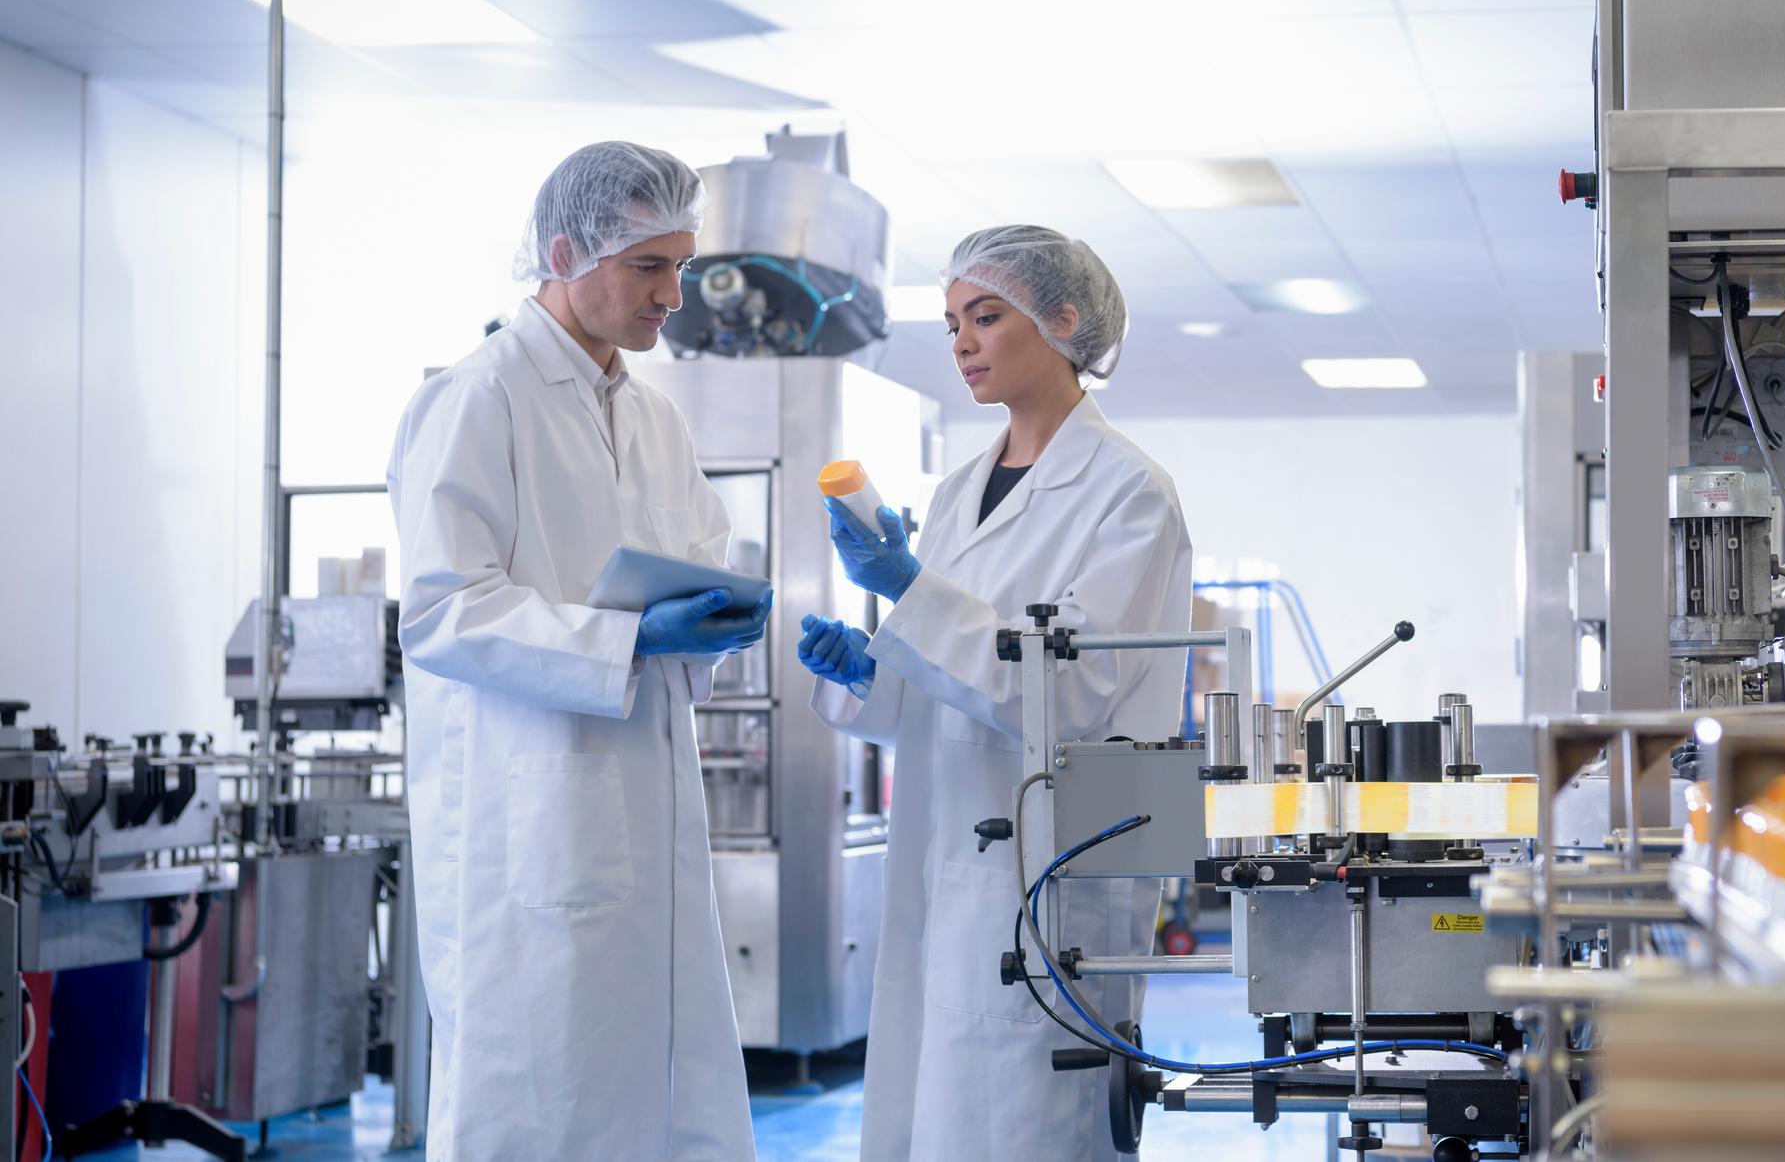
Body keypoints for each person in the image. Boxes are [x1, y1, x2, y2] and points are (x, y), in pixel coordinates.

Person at [389, 141, 765, 1162]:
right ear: (565, 253)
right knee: (540, 1089)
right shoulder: (478, 397)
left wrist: (712, 622)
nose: (671, 296)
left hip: (649, 801)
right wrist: (628, 635)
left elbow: (695, 559)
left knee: (658, 1086)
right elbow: (438, 612)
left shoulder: (652, 418)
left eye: (681, 268)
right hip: (533, 822)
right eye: (649, 267)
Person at [797, 225, 1193, 1161]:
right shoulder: (954, 494)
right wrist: (871, 674)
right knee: (938, 1110)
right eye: (951, 324)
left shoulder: (1129, 491)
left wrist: (910, 593)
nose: (963, 343)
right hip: (949, 851)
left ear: (1063, 322)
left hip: (1055, 867)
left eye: (986, 316)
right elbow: (948, 694)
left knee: (1029, 1122)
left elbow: (1078, 691)